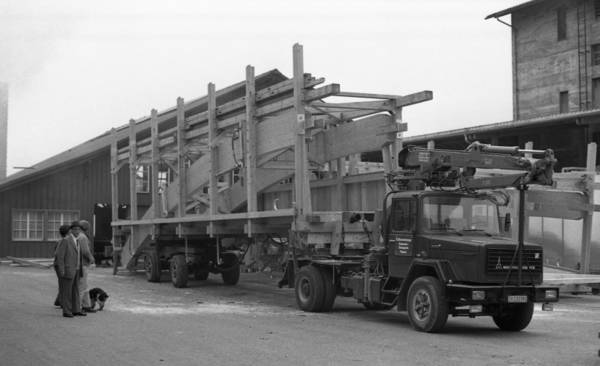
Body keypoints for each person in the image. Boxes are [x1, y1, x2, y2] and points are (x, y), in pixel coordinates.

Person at [55, 221, 86, 318]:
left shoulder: (78, 240)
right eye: (75, 229)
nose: (77, 231)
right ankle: (67, 311)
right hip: (68, 269)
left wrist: (80, 269)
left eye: (79, 229)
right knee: (66, 291)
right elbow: (60, 256)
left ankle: (76, 309)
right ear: (71, 230)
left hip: (76, 269)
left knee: (75, 290)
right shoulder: (65, 240)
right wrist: (62, 270)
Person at [78, 220, 96, 313]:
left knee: (85, 286)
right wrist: (91, 258)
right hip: (83, 264)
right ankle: (78, 307)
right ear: (85, 227)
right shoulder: (83, 237)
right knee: (82, 287)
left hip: (80, 264)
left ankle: (86, 305)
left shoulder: (79, 236)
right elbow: (85, 251)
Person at [53, 225, 71, 308]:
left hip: (58, 264)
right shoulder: (63, 241)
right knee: (63, 285)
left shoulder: (59, 241)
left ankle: (59, 301)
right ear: (68, 232)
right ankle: (62, 302)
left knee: (63, 284)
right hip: (61, 265)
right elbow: (58, 254)